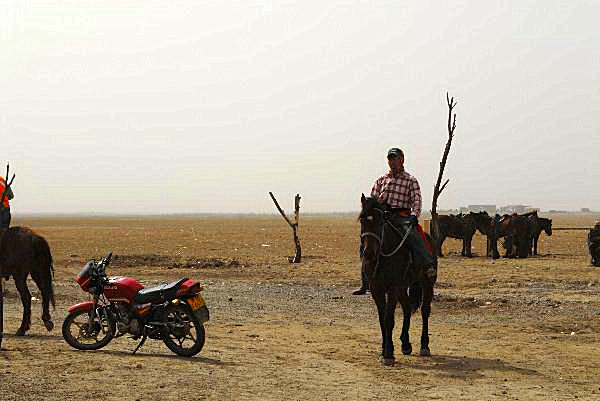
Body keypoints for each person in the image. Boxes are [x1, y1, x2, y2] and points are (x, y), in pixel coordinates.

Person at [353, 147, 435, 295]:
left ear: (402, 160)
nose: (392, 162)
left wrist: (414, 216)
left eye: (395, 158)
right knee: (368, 237)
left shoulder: (410, 180)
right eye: (390, 159)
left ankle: (427, 265)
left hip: (402, 216)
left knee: (413, 237)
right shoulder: (381, 180)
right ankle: (366, 279)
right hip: (383, 216)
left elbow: (417, 200)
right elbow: (373, 199)